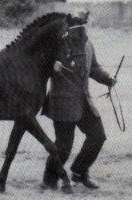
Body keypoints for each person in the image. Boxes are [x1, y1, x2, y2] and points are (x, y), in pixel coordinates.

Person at [41, 11, 117, 190]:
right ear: (69, 24)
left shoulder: (88, 44)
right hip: (62, 103)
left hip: (84, 102)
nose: (80, 27)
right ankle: (49, 180)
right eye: (76, 23)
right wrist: (51, 66)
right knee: (63, 147)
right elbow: (40, 64)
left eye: (83, 23)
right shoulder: (57, 43)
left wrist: (108, 78)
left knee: (98, 137)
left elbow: (94, 68)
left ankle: (79, 172)